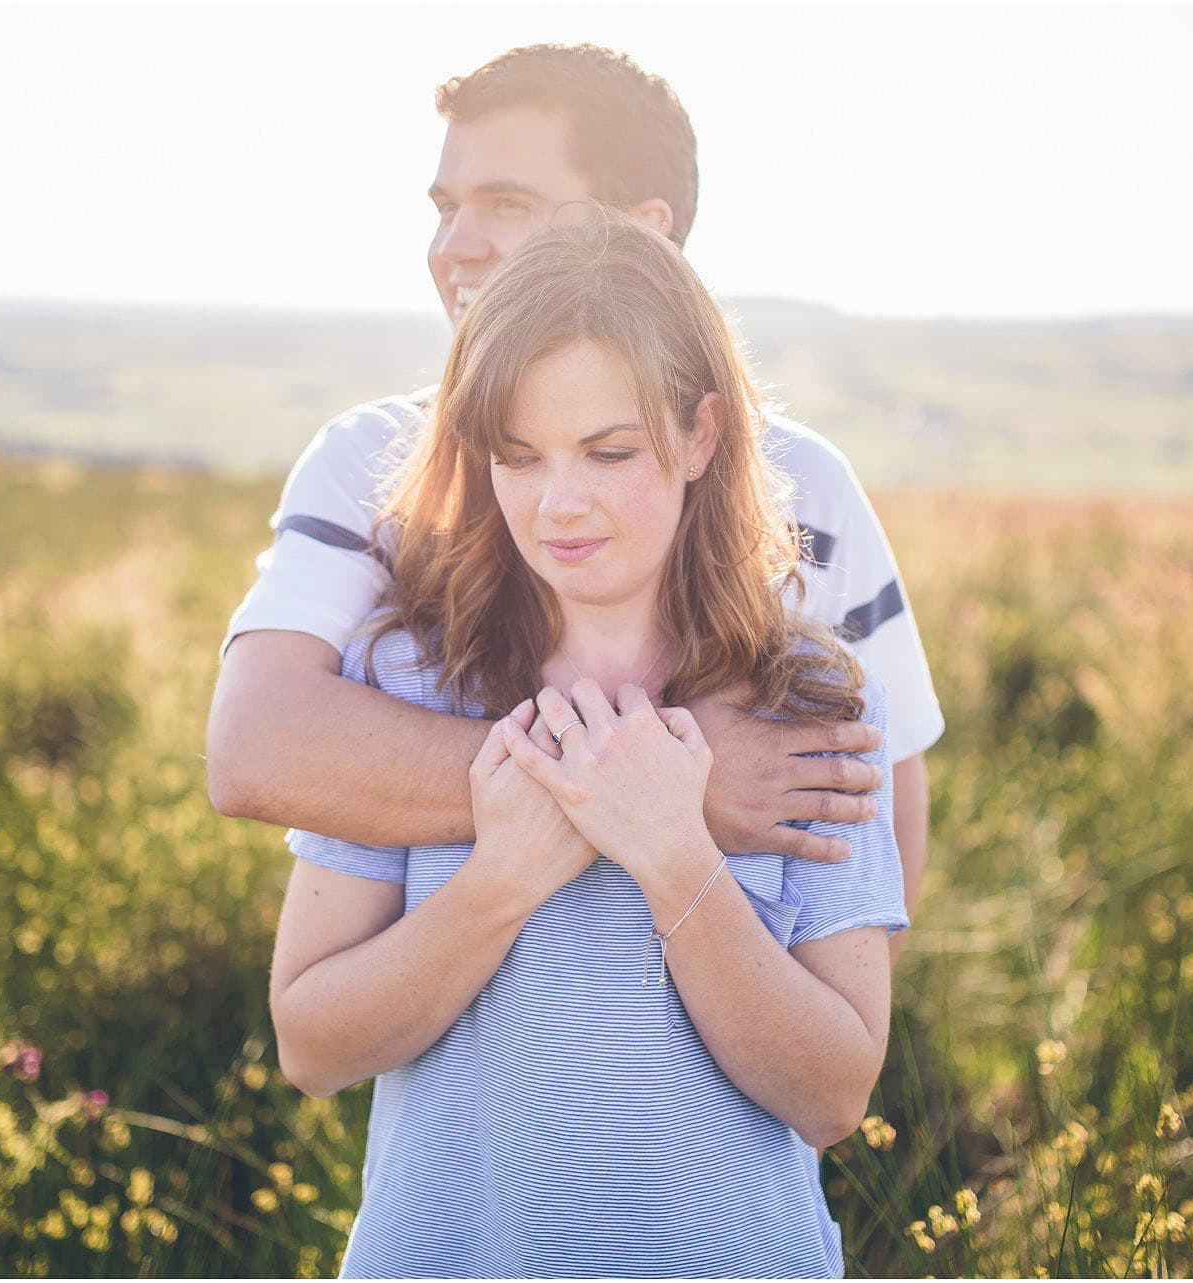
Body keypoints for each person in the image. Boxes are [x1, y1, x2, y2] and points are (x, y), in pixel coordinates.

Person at [269, 210, 905, 1277]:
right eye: (519, 457)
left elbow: (835, 1092)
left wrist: (672, 852)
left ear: (703, 433)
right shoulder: (409, 679)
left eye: (608, 451)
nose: (558, 504)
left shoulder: (815, 701)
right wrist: (503, 876)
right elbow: (311, 1044)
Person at [207, 44, 942, 928]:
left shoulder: (805, 486)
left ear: (643, 231)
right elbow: (257, 747)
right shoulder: (368, 463)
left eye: (507, 204)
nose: (453, 246)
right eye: (446, 207)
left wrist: (811, 1048)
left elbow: (879, 799)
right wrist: (662, 785)